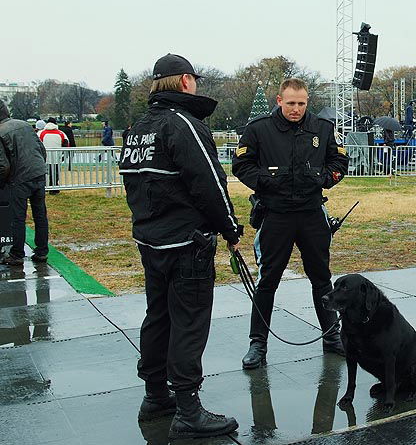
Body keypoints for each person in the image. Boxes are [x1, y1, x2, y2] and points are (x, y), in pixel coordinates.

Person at [119, 53, 240, 439]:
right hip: (186, 242)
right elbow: (209, 183)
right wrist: (231, 228)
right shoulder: (183, 124)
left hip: (151, 240)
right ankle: (188, 408)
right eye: (195, 80)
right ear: (185, 81)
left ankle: (156, 394)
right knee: (188, 323)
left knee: (158, 317)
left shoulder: (139, 127)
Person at [233, 77, 348, 370]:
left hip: (311, 213)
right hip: (276, 213)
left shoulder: (322, 129)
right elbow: (241, 165)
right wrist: (267, 182)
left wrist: (325, 179)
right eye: (291, 103)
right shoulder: (259, 129)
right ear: (279, 100)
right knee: (268, 280)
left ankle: (332, 336)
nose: (296, 109)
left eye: (301, 103)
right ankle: (257, 344)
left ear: (307, 102)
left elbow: (340, 162)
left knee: (321, 278)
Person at [0, 100, 49, 267]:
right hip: (38, 172)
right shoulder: (25, 125)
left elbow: (3, 166)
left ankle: (17, 254)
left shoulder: (0, 132)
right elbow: (41, 150)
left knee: (18, 218)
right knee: (40, 215)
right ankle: (42, 251)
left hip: (19, 178)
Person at [39, 118, 68, 194]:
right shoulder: (61, 133)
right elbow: (66, 144)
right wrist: (62, 155)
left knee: (43, 173)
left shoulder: (41, 133)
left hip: (44, 158)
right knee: (55, 173)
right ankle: (54, 188)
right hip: (56, 157)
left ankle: (43, 188)